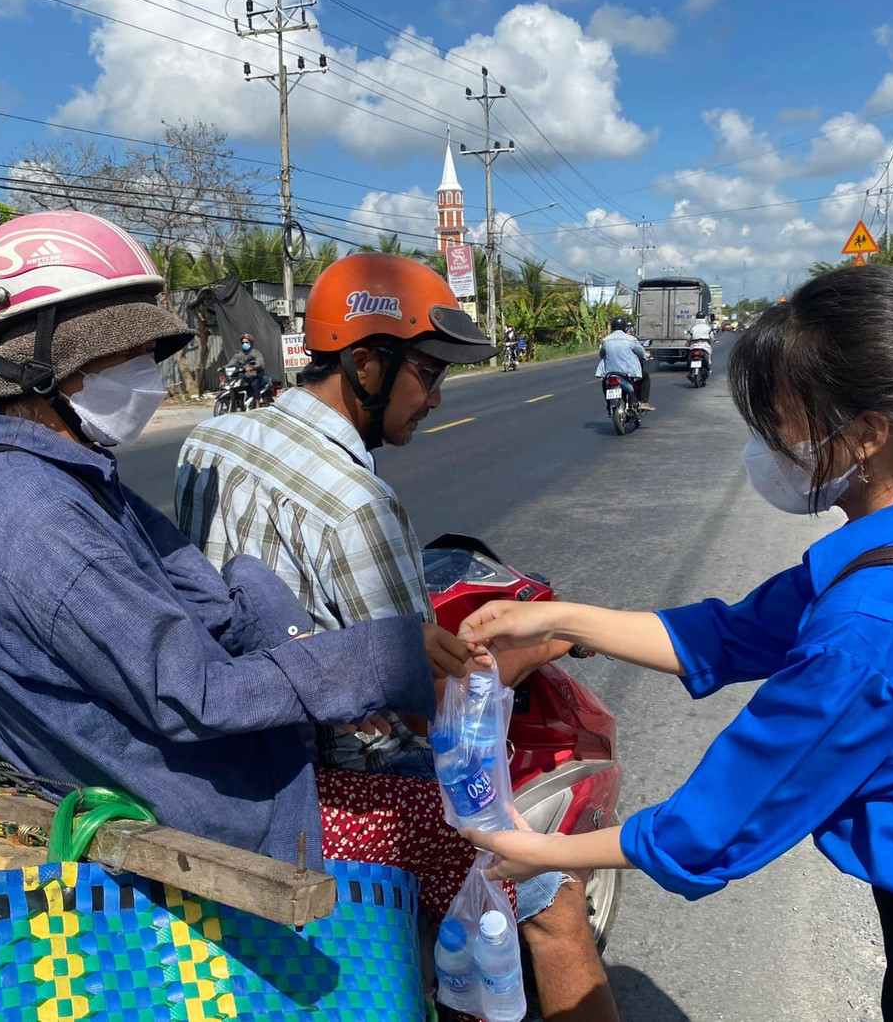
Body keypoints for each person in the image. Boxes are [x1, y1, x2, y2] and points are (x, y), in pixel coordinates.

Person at [459, 266, 893, 1022]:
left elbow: (720, 820)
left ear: (869, 432)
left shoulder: (874, 623)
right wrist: (555, 620)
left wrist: (541, 854)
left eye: (783, 419)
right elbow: (726, 633)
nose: (772, 442)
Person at [0, 210, 470, 883]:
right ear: (43, 362)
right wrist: (380, 655)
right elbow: (197, 695)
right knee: (488, 851)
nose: (148, 379)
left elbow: (206, 592)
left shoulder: (69, 478)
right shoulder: (40, 518)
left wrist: (284, 625)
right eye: (123, 356)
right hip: (220, 808)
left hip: (182, 769)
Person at [176, 252, 617, 1021]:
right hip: (327, 791)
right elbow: (433, 707)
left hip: (222, 761)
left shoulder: (211, 445)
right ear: (368, 365)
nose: (439, 397)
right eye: (430, 373)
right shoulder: (357, 505)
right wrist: (554, 636)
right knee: (553, 900)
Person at [596, 314, 652, 411]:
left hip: (610, 372)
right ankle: (643, 402)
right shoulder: (631, 339)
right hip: (627, 372)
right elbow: (641, 352)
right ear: (625, 327)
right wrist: (646, 356)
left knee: (605, 382)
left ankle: (608, 403)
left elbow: (602, 354)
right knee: (645, 377)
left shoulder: (606, 340)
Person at [225, 332, 271, 405]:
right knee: (236, 385)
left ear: (251, 343)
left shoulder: (256, 353)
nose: (244, 344)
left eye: (246, 342)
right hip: (244, 376)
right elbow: (232, 363)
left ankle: (257, 404)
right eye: (243, 343)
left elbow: (260, 364)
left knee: (254, 384)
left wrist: (252, 367)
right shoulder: (239, 354)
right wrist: (223, 367)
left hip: (255, 375)